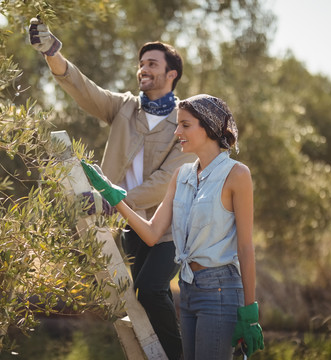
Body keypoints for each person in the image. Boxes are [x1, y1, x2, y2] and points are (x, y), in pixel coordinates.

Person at [29, 18, 196, 359]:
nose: (143, 69)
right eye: (141, 64)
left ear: (171, 74)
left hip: (170, 225)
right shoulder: (124, 107)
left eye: (152, 64)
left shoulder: (185, 121)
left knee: (151, 290)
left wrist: (112, 202)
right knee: (143, 293)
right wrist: (52, 53)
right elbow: (82, 88)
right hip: (129, 226)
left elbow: (165, 182)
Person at [81, 94, 264, 360]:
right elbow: (153, 234)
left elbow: (246, 247)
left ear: (209, 127)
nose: (177, 131)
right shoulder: (182, 175)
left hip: (221, 289)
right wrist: (115, 198)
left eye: (185, 125)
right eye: (177, 124)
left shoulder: (237, 175)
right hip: (188, 287)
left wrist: (249, 312)